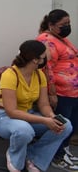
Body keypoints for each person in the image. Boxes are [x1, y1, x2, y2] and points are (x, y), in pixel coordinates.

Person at [0, 40, 72, 172]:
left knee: (65, 125)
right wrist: (44, 120)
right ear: (36, 60)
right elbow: (12, 112)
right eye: (44, 56)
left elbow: (44, 104)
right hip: (5, 118)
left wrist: (52, 117)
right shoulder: (10, 75)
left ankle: (34, 157)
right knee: (25, 130)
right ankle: (14, 158)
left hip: (28, 115)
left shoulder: (39, 75)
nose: (47, 58)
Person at [36, 9, 78, 170]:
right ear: (51, 25)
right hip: (61, 92)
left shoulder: (60, 38)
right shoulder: (47, 41)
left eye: (68, 23)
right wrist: (52, 94)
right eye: (63, 24)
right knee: (62, 126)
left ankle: (64, 151)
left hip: (72, 92)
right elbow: (47, 69)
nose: (67, 27)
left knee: (73, 123)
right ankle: (57, 156)